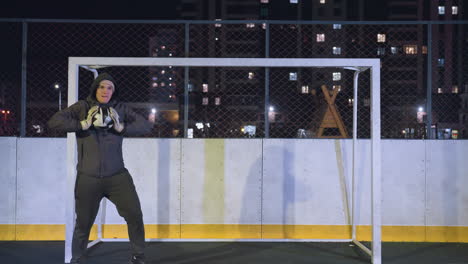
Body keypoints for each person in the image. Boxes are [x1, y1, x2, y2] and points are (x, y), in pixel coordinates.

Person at [48, 73, 151, 264]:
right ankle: (77, 258)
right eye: (102, 87)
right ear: (95, 88)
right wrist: (82, 124)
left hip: (117, 177)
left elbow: (145, 125)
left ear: (114, 91)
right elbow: (54, 122)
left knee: (134, 214)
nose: (105, 91)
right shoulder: (82, 107)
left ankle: (138, 256)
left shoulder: (120, 108)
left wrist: (122, 128)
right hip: (89, 178)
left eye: (110, 88)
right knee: (83, 223)